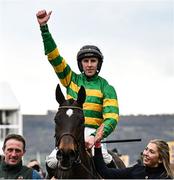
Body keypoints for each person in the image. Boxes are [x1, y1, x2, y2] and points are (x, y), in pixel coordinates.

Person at [36, 9, 119, 169]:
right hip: (70, 133)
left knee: (107, 161)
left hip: (95, 134)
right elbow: (54, 58)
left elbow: (112, 118)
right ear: (81, 63)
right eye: (86, 61)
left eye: (93, 61)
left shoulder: (107, 88)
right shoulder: (71, 79)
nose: (89, 64)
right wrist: (44, 28)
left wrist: (95, 137)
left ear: (98, 64)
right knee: (52, 162)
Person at [94, 125, 174, 179]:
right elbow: (105, 172)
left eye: (151, 152)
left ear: (160, 159)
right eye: (146, 149)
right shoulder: (136, 170)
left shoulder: (166, 178)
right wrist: (97, 145)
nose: (145, 154)